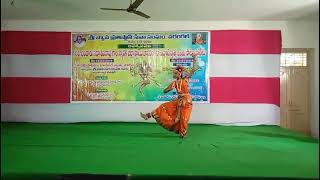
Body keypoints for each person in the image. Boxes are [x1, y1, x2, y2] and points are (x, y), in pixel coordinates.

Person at [140, 54, 198, 138]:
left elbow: (194, 69)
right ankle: (148, 116)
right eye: (174, 72)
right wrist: (164, 87)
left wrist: (194, 59)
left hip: (186, 101)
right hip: (179, 101)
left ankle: (183, 133)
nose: (174, 74)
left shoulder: (185, 79)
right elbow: (165, 91)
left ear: (180, 74)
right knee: (163, 107)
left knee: (184, 118)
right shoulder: (174, 83)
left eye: (176, 73)